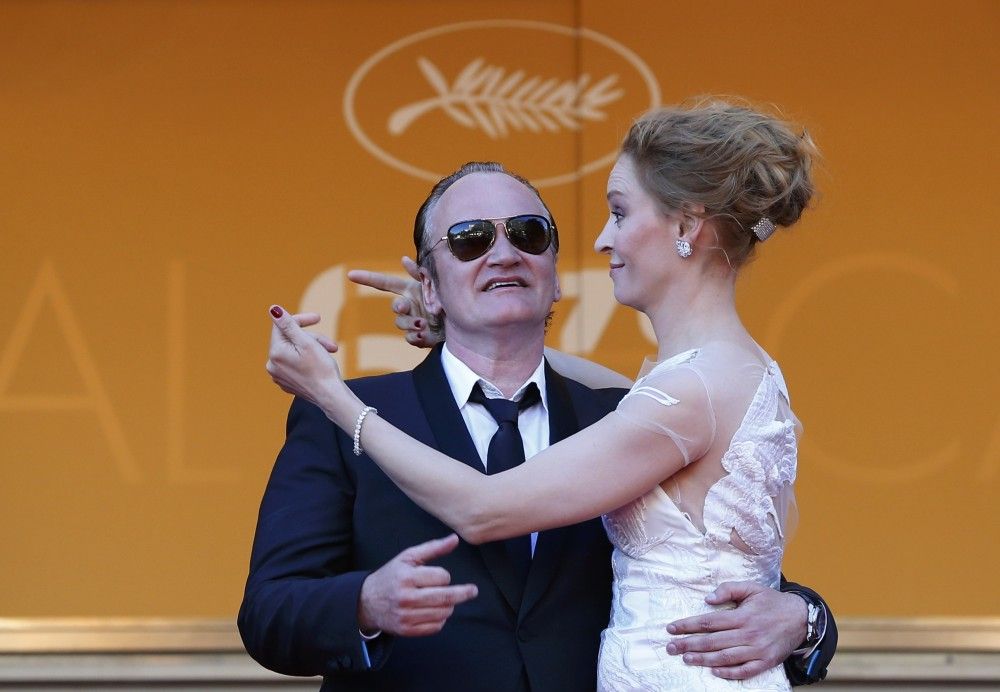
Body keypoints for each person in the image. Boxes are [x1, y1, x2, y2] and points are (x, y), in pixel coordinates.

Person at [249, 122, 836, 689]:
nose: (503, 255)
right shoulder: (342, 424)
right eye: (470, 240)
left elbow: (729, 573)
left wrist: (802, 617)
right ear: (429, 285)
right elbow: (269, 613)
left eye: (528, 234)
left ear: (556, 275)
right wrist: (365, 604)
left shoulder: (622, 412)